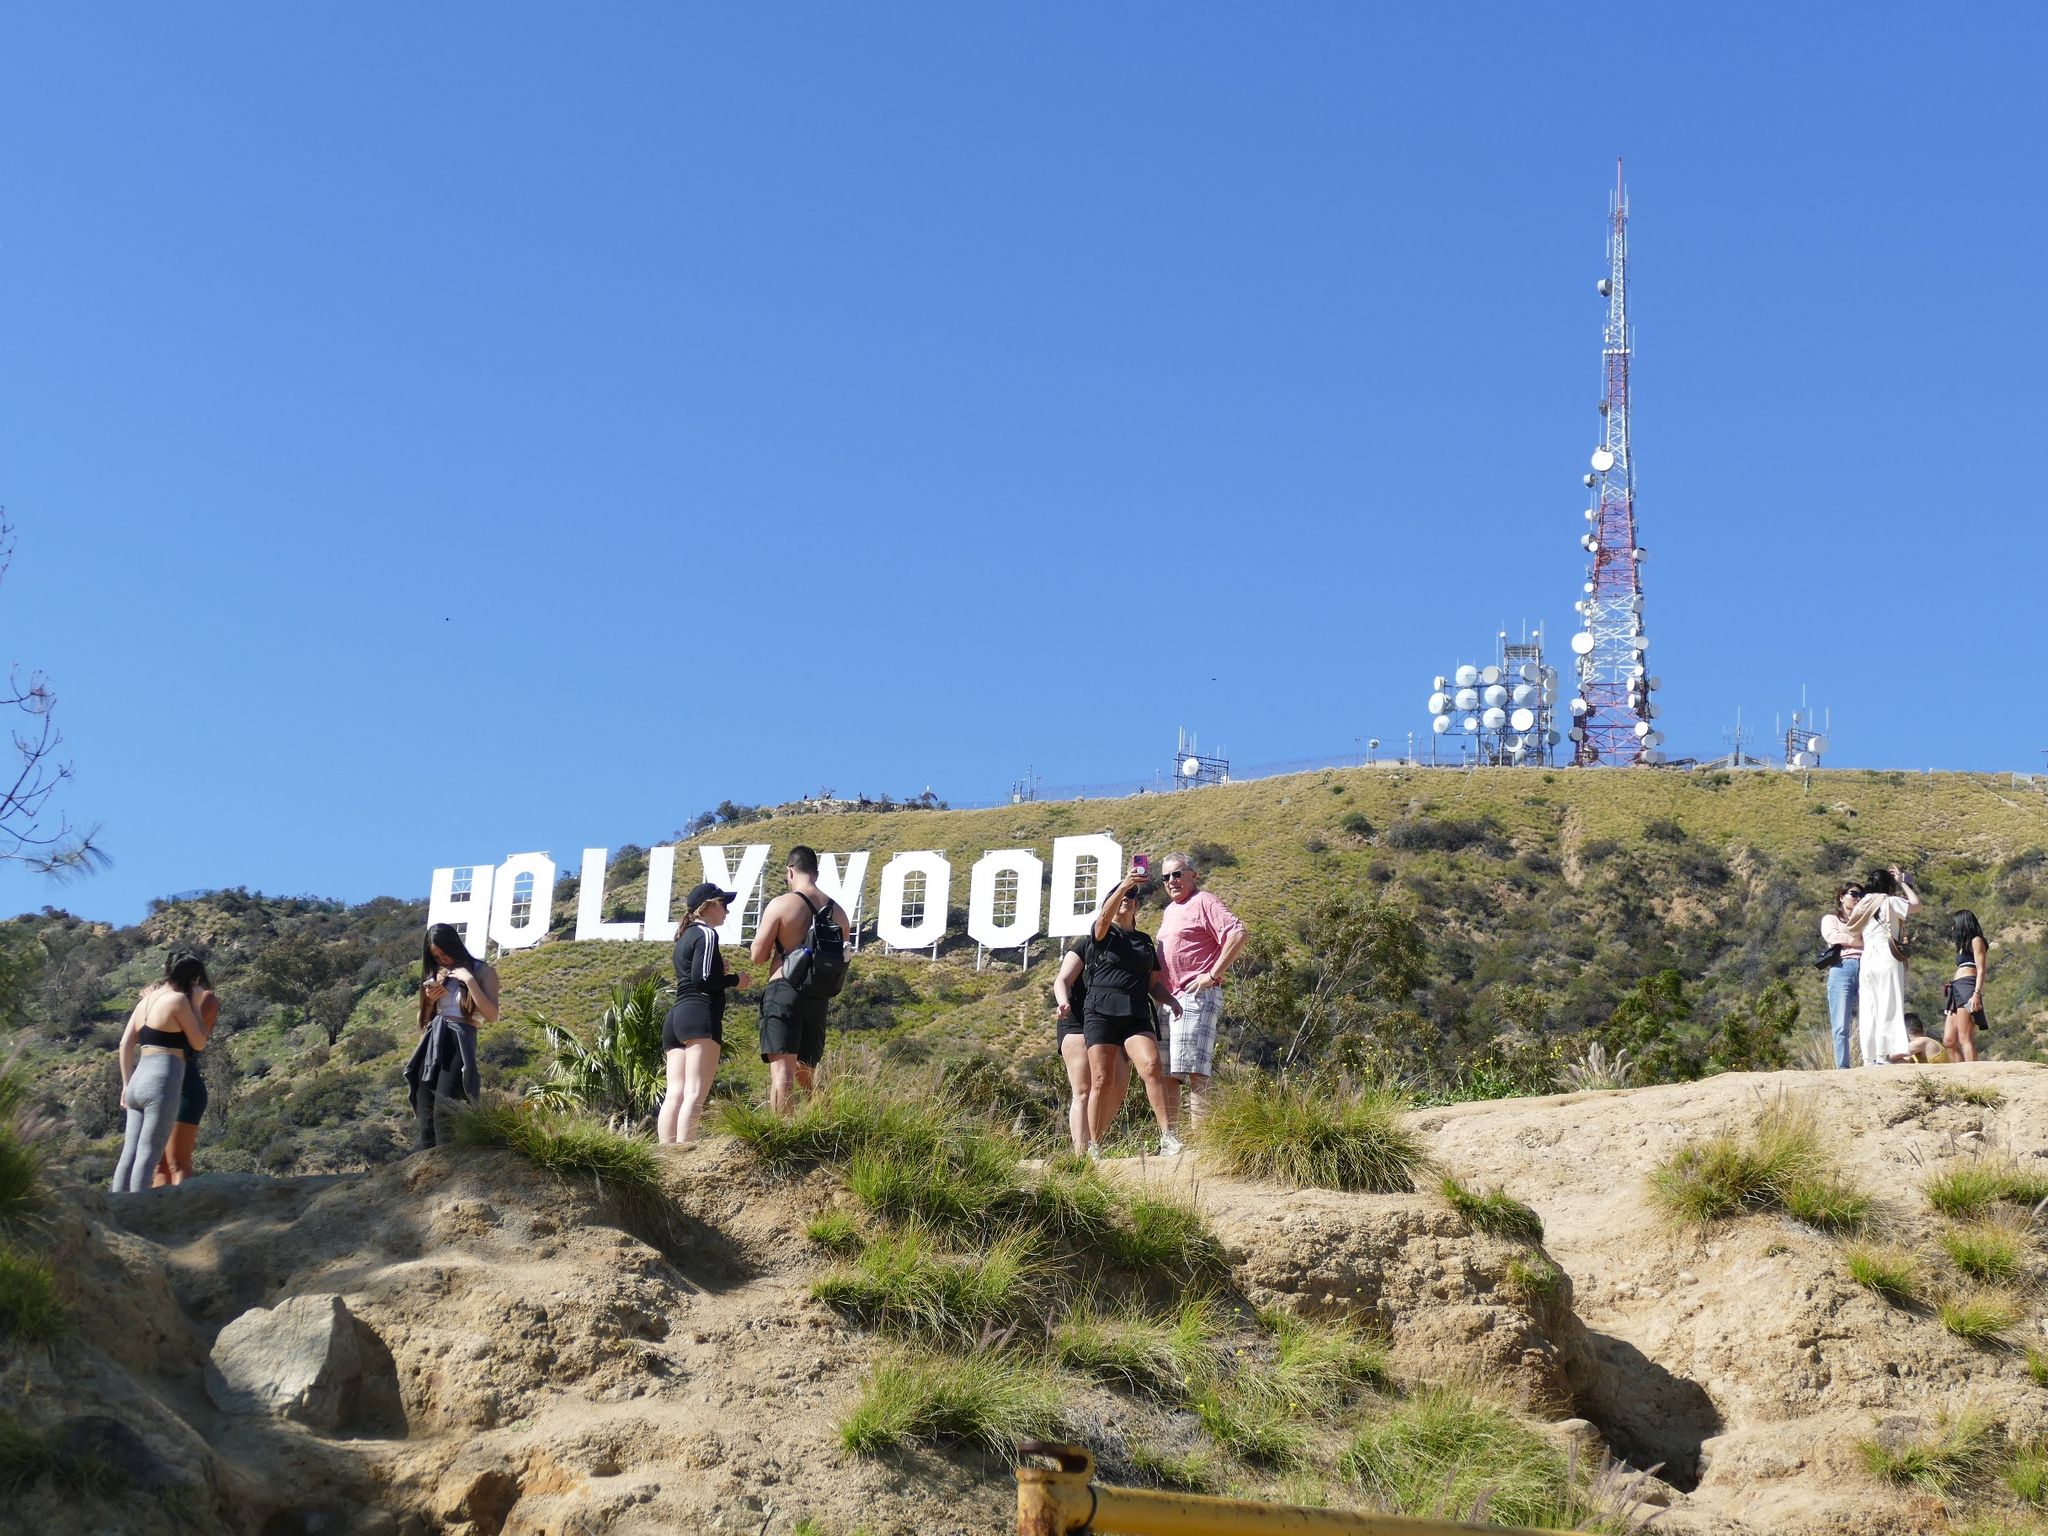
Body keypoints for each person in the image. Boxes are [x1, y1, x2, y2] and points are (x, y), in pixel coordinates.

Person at [1082, 866, 1183, 1157]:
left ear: (1137, 905)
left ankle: (1167, 1136)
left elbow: (1153, 983)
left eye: (1131, 896)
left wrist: (1170, 1000)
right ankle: (1094, 1146)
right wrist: (1125, 884)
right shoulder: (1103, 932)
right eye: (1120, 896)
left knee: (1151, 1066)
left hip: (1136, 1011)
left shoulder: (1144, 941)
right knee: (1102, 1080)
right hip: (1101, 1012)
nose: (1126, 899)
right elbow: (1102, 919)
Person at [749, 846, 851, 1117]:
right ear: (816, 873)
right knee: (808, 1076)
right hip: (818, 997)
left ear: (790, 871)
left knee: (782, 1073)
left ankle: (783, 1134)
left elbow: (758, 956)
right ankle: (824, 1125)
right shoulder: (840, 914)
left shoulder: (782, 904)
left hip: (784, 990)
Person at [1154, 852, 1246, 1128]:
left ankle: (1202, 1140)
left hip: (1195, 996)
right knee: (1169, 1073)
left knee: (1196, 1070)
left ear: (1193, 875)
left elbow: (1237, 933)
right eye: (1166, 877)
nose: (1171, 880)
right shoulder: (1170, 911)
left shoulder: (1204, 901)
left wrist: (1212, 975)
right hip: (1169, 1001)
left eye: (1177, 873)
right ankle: (1172, 1139)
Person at [111, 953, 214, 1193]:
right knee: (148, 1156)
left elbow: (124, 1044)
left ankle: (115, 1208)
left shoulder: (146, 1001)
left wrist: (126, 1084)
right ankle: (138, 1209)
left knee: (128, 1155)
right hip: (161, 1082)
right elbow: (199, 1043)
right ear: (194, 979)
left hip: (137, 1080)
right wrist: (196, 1006)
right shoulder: (177, 1001)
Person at [660, 883, 745, 1144]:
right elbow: (703, 980)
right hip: (700, 1014)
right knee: (695, 1092)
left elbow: (695, 974)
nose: (727, 912)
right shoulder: (707, 934)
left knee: (674, 1093)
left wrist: (719, 969)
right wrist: (735, 980)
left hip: (676, 1018)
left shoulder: (684, 937)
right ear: (709, 906)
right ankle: (686, 1153)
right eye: (724, 905)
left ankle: (665, 1155)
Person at [406, 922, 501, 1148]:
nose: (442, 960)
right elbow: (422, 1022)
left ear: (454, 946)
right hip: (433, 1038)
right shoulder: (436, 973)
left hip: (460, 1037)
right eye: (436, 956)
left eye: (445, 953)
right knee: (424, 1105)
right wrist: (430, 1001)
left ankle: (449, 1158)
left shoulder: (481, 970)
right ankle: (427, 1161)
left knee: (445, 1108)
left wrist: (469, 981)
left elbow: (492, 1016)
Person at [1840, 865, 1921, 1066]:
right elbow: (1916, 905)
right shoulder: (1890, 901)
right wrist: (1903, 883)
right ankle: (1884, 1055)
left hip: (1867, 957)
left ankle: (1869, 1057)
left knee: (1869, 1007)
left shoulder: (1862, 904)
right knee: (1888, 1003)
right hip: (1887, 955)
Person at [1053, 940, 1127, 1157]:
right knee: (1083, 1090)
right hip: (1077, 1020)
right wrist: (1062, 1002)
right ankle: (1081, 1156)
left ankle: (1095, 1143)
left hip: (1111, 1023)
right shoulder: (1085, 945)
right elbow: (1062, 980)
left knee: (1118, 1086)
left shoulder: (1129, 947)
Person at [154, 962, 222, 1187]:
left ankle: (184, 1205)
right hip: (160, 1085)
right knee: (159, 1164)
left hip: (185, 1087)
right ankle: (156, 1207)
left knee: (177, 1162)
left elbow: (187, 1040)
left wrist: (161, 1002)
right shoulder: (169, 1000)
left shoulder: (206, 999)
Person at [1819, 882, 1865, 1071]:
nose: (1858, 898)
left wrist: (1849, 940)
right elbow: (1832, 937)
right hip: (1841, 967)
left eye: (1861, 894)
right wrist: (1856, 940)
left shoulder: (1866, 919)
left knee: (1869, 1017)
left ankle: (1871, 1061)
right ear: (1841, 897)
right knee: (1840, 1023)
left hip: (1867, 966)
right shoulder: (1830, 919)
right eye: (1853, 894)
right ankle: (1843, 1066)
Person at [1943, 910, 1990, 1063]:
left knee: (1965, 1037)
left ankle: (1973, 1073)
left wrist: (1976, 994)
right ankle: (1959, 1072)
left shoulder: (1977, 941)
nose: (1953, 928)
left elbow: (1981, 970)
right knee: (1949, 1040)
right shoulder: (1962, 945)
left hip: (1968, 988)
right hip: (1956, 988)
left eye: (1954, 924)